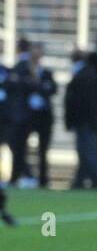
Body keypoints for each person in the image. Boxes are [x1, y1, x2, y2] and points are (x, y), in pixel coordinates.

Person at [9, 41, 57, 188]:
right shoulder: (21, 68)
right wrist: (37, 85)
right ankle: (15, 177)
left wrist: (34, 84)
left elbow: (52, 89)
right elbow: (16, 84)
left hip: (43, 115)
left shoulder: (46, 72)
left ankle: (43, 179)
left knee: (43, 150)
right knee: (20, 147)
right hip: (25, 115)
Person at [66, 50, 97, 190]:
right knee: (89, 152)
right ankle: (83, 180)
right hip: (91, 121)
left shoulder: (84, 75)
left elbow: (77, 101)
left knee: (87, 152)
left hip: (85, 121)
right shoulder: (95, 75)